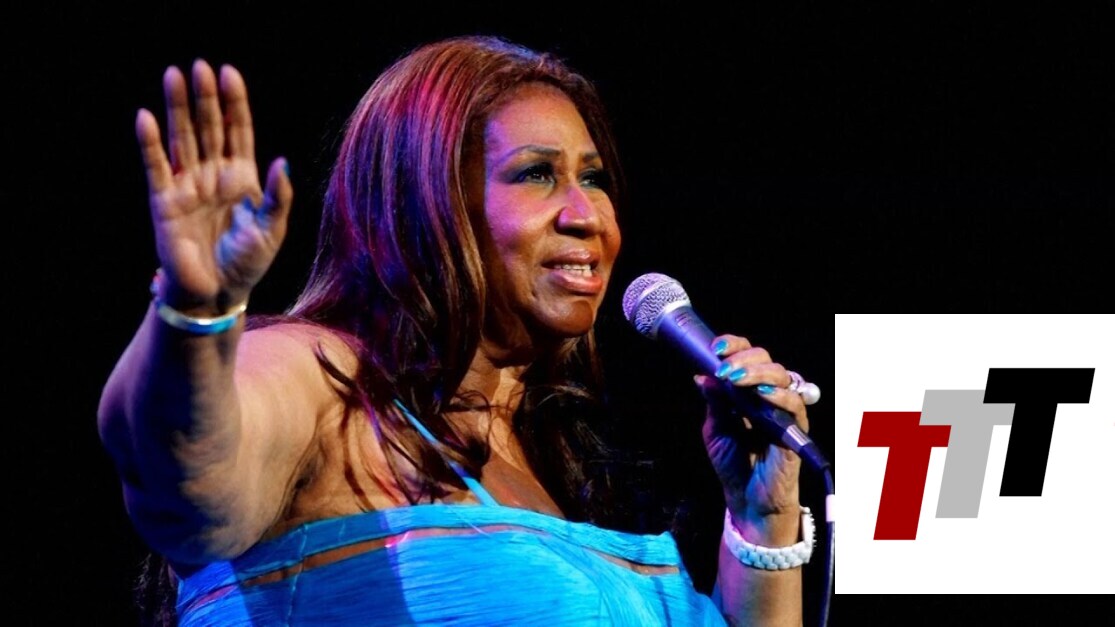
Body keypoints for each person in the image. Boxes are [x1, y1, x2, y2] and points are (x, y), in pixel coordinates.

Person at [97, 34, 818, 626]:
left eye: (593, 178)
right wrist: (194, 311)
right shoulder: (322, 379)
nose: (587, 216)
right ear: (428, 203)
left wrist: (762, 519)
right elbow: (190, 488)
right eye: (536, 175)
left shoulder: (558, 467)